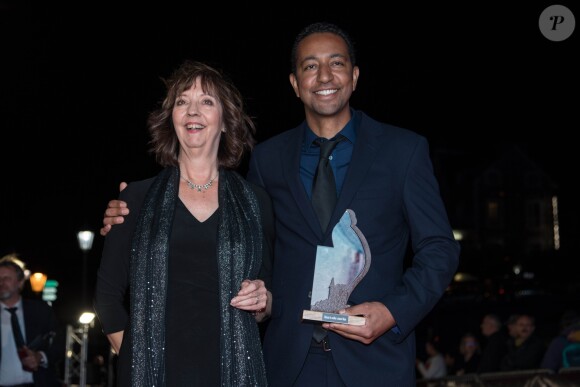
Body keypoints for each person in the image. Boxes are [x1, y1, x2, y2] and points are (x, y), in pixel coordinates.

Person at [100, 22, 460, 386]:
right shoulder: (268, 161)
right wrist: (130, 219)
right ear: (294, 83)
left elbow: (440, 250)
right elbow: (245, 249)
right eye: (309, 66)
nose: (323, 76)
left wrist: (393, 312)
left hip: (375, 362)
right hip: (286, 364)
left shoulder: (403, 151)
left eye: (336, 63)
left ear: (354, 76)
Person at [93, 60, 275, 387]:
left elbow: (267, 298)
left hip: (234, 373)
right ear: (171, 119)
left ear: (225, 120)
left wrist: (263, 300)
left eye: (206, 101)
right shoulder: (135, 198)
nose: (193, 111)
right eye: (182, 102)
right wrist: (138, 359)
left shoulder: (256, 202)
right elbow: (107, 296)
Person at [0, 255, 62, 387]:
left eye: (6, 278)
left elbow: (59, 345)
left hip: (36, 383)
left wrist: (40, 357)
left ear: (20, 282)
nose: (1, 283)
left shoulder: (41, 311)